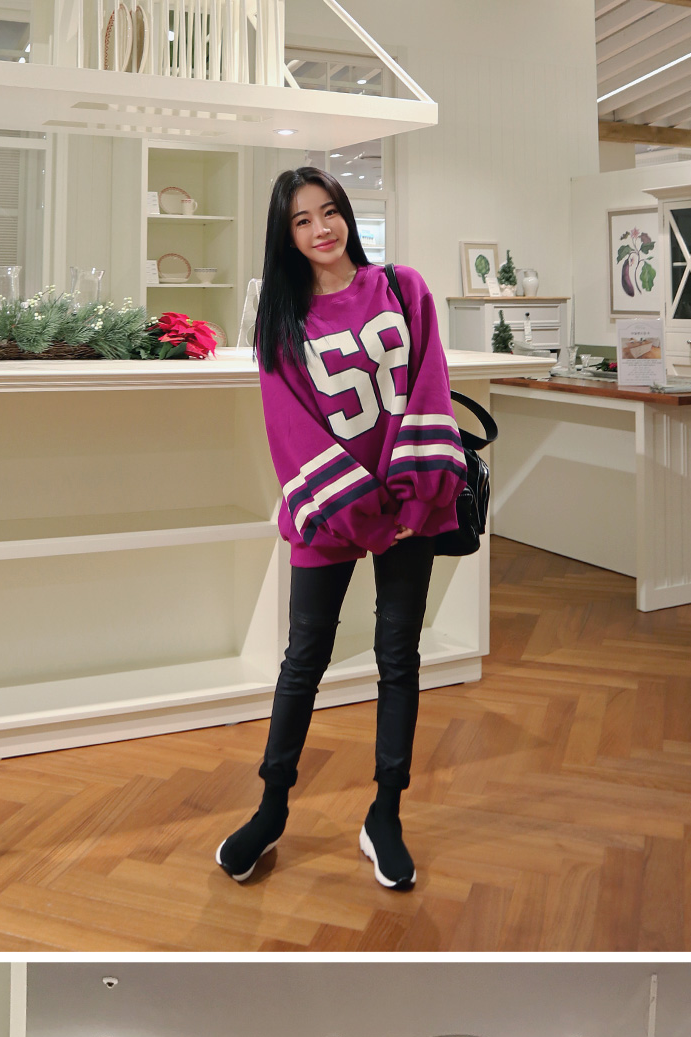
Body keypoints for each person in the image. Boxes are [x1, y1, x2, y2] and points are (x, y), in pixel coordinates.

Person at [216, 168, 468, 893]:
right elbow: (290, 428)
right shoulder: (280, 322)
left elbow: (429, 384)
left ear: (348, 215)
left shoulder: (403, 289)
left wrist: (410, 504)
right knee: (305, 658)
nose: (321, 229)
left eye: (329, 212)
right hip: (333, 510)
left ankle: (385, 813)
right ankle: (270, 809)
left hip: (411, 505)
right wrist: (364, 514)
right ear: (286, 235)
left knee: (399, 655)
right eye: (302, 220)